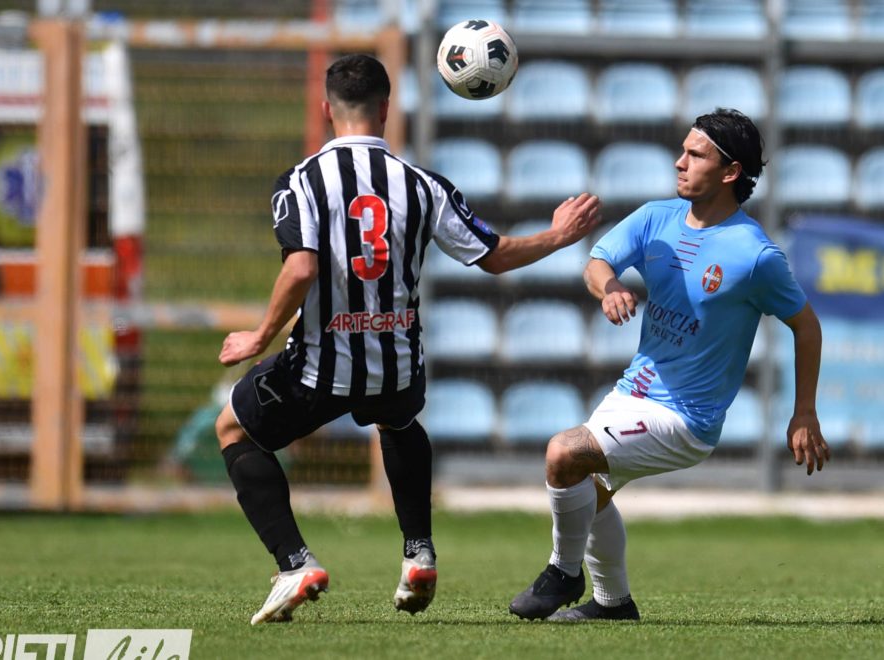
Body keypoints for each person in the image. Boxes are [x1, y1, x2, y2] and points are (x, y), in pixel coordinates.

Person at [215, 53, 601, 625]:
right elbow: (493, 256)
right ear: (386, 109)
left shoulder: (302, 181)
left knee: (234, 429)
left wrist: (259, 335)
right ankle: (418, 552)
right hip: (397, 365)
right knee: (397, 421)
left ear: (326, 110)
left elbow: (301, 268)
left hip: (320, 366)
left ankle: (295, 564)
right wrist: (559, 235)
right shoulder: (422, 184)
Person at [508, 108, 830, 622]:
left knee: (564, 453)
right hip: (632, 392)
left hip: (686, 418)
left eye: (695, 155)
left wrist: (804, 412)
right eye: (682, 151)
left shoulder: (755, 255)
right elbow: (597, 263)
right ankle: (613, 603)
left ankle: (563, 572)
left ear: (730, 172)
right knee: (589, 491)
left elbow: (806, 326)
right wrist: (609, 287)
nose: (679, 162)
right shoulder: (656, 217)